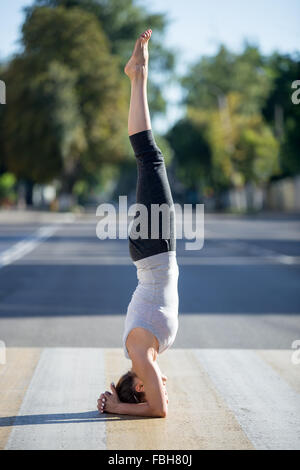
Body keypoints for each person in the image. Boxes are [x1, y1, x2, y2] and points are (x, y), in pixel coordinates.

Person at [97, 29, 179, 418]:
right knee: (149, 159)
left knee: (150, 157)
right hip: (153, 250)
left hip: (153, 250)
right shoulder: (143, 353)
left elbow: (159, 412)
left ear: (141, 386)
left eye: (152, 389)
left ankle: (137, 75)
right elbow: (158, 403)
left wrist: (117, 407)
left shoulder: (140, 355)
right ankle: (137, 75)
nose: (165, 390)